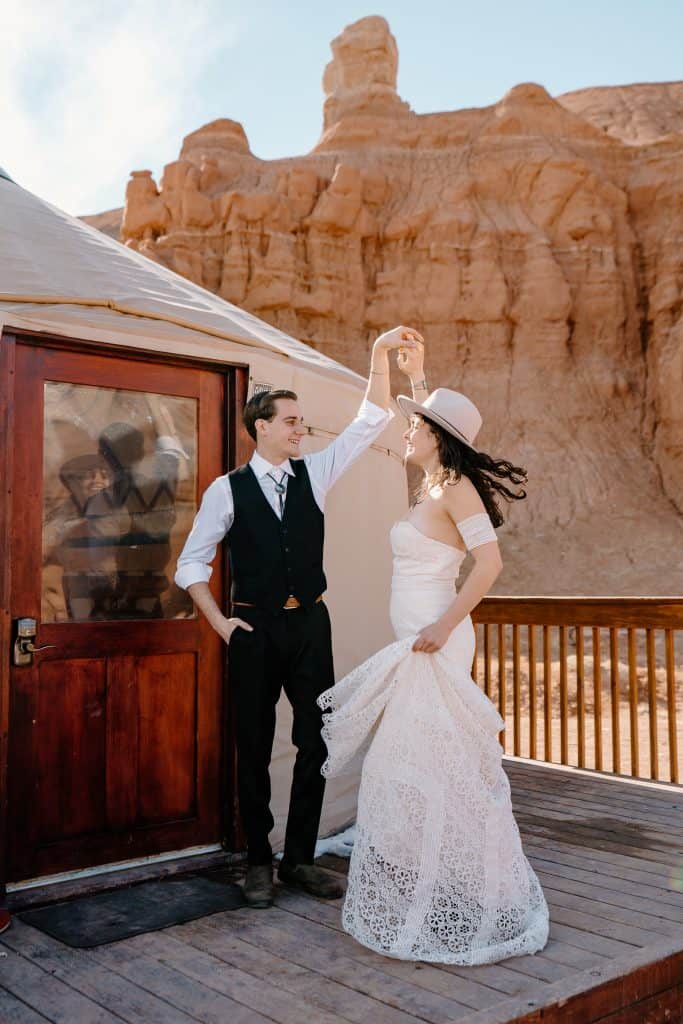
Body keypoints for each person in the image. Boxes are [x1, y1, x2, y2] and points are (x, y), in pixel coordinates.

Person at [318, 338, 549, 964]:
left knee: (438, 759)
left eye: (416, 425)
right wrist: (419, 380)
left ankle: (465, 887)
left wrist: (445, 627)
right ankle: (435, 880)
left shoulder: (456, 493)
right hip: (413, 640)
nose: (407, 430)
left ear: (434, 437)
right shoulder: (433, 485)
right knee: (413, 761)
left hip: (436, 642)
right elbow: (439, 429)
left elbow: (490, 563)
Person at [175, 327, 418, 908]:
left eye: (302, 421)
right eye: (291, 421)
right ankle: (259, 861)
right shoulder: (226, 491)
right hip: (254, 631)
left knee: (316, 741)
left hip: (312, 626)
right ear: (261, 428)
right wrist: (218, 622)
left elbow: (368, 420)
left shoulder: (318, 471)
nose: (302, 429)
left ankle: (300, 860)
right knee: (254, 745)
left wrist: (380, 354)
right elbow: (190, 563)